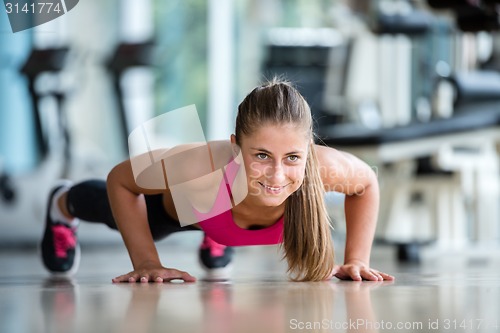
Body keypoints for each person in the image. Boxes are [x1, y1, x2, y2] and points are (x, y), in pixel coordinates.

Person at [40, 79, 394, 282]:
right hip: (184, 210)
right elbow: (120, 179)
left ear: (308, 151)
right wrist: (146, 261)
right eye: (260, 155)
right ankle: (62, 202)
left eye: (292, 158)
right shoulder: (201, 166)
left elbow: (367, 185)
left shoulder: (324, 168)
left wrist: (357, 259)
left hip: (225, 218)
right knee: (113, 212)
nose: (276, 174)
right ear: (235, 146)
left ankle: (219, 238)